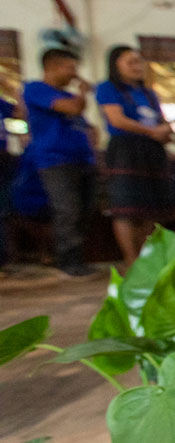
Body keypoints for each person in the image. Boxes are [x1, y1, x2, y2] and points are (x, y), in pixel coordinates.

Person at [95, 45, 174, 267]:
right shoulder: (107, 88)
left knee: (149, 208)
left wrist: (165, 130)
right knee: (126, 208)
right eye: (130, 62)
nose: (137, 66)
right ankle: (132, 260)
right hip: (125, 151)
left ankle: (147, 259)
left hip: (151, 151)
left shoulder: (148, 93)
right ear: (115, 64)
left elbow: (160, 121)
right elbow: (117, 120)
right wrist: (152, 131)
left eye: (139, 61)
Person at [22, 48, 96, 277]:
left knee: (85, 209)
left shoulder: (65, 95)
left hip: (81, 159)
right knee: (67, 210)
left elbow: (85, 124)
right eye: (70, 68)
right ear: (52, 66)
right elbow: (74, 108)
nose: (74, 74)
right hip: (55, 160)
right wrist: (83, 92)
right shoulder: (36, 89)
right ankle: (67, 261)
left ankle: (77, 258)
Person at [0, 94, 25, 274]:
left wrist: (10, 88)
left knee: (4, 210)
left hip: (2, 157)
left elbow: (21, 113)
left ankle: (4, 260)